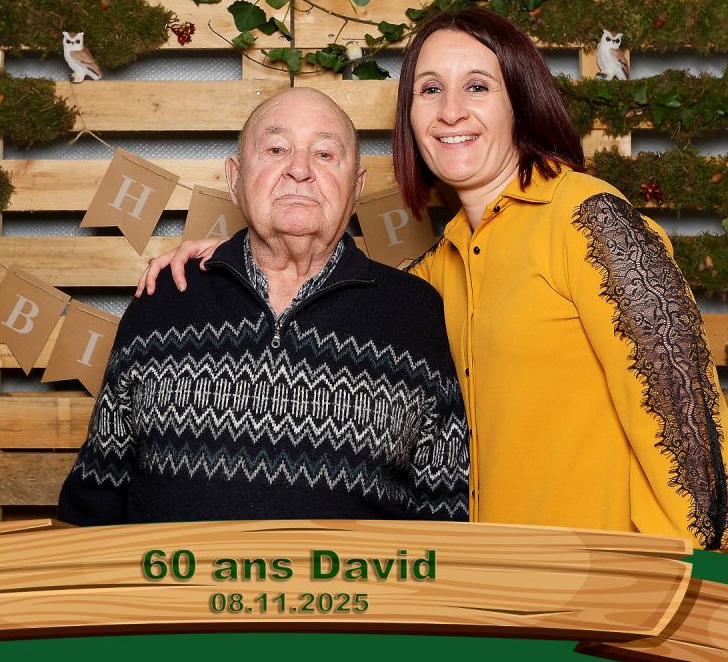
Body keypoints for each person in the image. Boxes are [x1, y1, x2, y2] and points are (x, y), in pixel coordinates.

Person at [136, 7, 728, 551]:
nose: (450, 110)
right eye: (430, 89)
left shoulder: (588, 220)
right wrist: (240, 253)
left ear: (519, 101)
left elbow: (690, 436)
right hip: (491, 599)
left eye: (476, 86)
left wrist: (671, 584)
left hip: (608, 592)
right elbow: (334, 285)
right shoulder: (434, 272)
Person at [58, 87, 469, 525]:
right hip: (173, 573)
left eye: (325, 154)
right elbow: (94, 499)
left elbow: (445, 515)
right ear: (235, 179)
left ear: (357, 188)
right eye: (276, 149)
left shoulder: (414, 311)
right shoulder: (165, 296)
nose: (299, 170)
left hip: (347, 576)